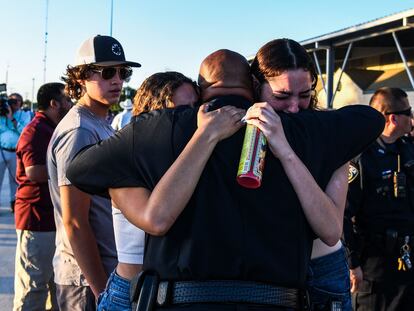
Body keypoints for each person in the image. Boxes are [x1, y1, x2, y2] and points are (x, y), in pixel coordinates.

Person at [67, 49, 384, 311]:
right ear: (254, 85)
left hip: (180, 302)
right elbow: (371, 120)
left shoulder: (159, 129)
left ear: (201, 87)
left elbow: (79, 169)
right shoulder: (298, 129)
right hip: (278, 302)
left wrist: (128, 181)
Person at [250, 38, 352, 310]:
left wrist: (284, 150)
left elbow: (330, 231)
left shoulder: (326, 133)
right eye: (282, 96)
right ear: (256, 88)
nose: (294, 106)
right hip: (265, 271)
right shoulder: (239, 132)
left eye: (305, 95)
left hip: (320, 270)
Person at [98, 71, 211, 311]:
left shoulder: (193, 157)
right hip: (129, 295)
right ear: (154, 112)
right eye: (182, 110)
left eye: (196, 107)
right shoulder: (127, 159)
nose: (193, 117)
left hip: (173, 294)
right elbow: (157, 221)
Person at [47, 35, 141, 311]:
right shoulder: (80, 130)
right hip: (85, 280)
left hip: (102, 272)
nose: (117, 80)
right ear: (81, 77)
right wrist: (102, 291)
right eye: (107, 72)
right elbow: (74, 221)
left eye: (123, 72)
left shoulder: (100, 123)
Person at [343, 87, 414, 311]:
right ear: (393, 118)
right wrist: (353, 264)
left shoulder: (408, 149)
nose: (412, 117)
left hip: (406, 260)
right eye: (409, 112)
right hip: (373, 266)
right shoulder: (362, 157)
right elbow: (343, 215)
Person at [13, 82, 72, 311]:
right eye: (66, 100)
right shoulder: (36, 130)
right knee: (33, 288)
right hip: (36, 220)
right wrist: (71, 168)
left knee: (55, 287)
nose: (70, 104)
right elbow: (34, 171)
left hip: (52, 220)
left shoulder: (52, 127)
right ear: (53, 103)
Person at [0, 93, 31, 213]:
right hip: (2, 150)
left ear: (21, 103)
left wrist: (12, 118)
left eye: (17, 101)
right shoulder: (2, 115)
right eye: (11, 101)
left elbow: (24, 132)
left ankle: (14, 203)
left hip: (16, 152)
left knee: (15, 180)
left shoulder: (24, 115)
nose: (14, 103)